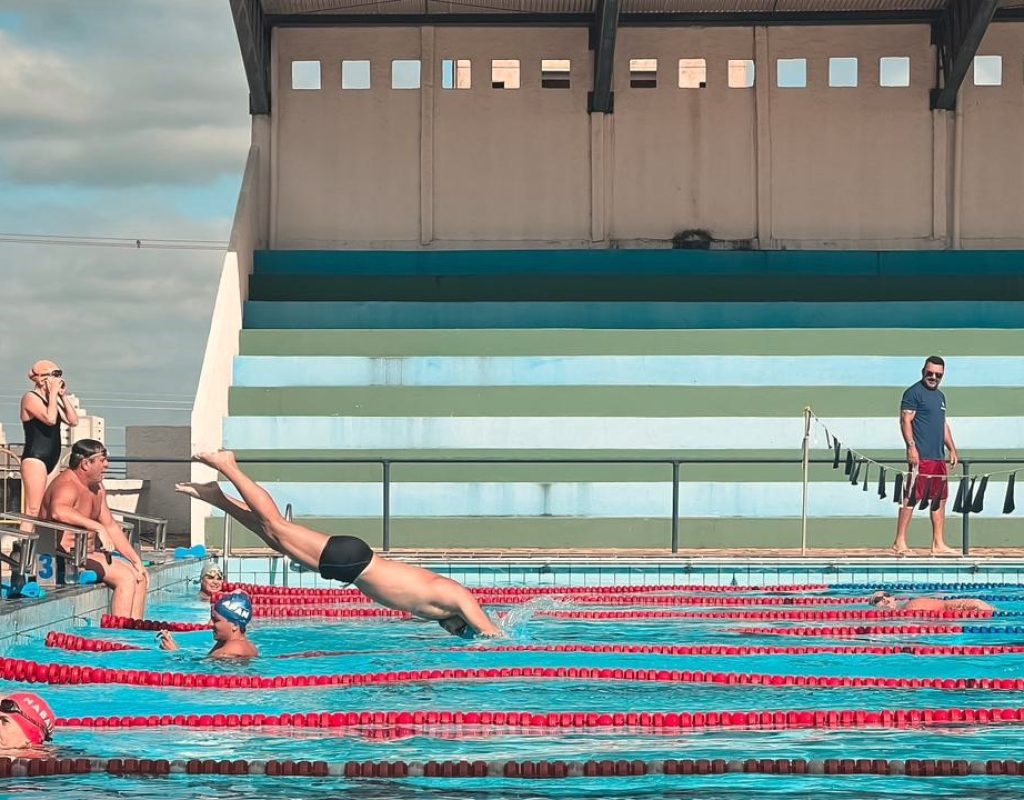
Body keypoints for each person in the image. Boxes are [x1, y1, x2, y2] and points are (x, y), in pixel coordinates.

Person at [176, 450, 502, 638]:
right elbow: (490, 633)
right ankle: (228, 465)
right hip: (353, 561)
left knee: (273, 536)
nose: (458, 634)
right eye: (461, 632)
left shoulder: (440, 609)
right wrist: (499, 639)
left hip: (352, 565)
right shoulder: (459, 597)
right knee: (276, 524)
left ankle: (216, 496)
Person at [41, 439, 149, 618]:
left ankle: (136, 633)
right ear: (85, 464)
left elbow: (111, 526)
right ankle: (119, 637)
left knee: (140, 576)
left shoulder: (97, 488)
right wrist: (96, 527)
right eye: (102, 460)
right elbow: (58, 511)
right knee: (126, 578)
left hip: (88, 555)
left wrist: (136, 561)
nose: (106, 465)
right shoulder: (67, 484)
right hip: (65, 558)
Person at [892, 356, 960, 557]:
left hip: (938, 457)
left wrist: (952, 449)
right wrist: (911, 447)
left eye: (938, 375)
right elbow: (905, 420)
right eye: (930, 373)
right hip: (921, 457)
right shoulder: (913, 393)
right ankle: (899, 542)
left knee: (940, 499)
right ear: (923, 371)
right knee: (911, 496)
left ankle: (938, 543)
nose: (933, 377)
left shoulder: (940, 396)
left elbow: (943, 424)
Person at [18, 361, 78, 535]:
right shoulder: (30, 397)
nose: (57, 379)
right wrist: (52, 395)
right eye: (53, 375)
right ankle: (23, 551)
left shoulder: (53, 400)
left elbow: (73, 421)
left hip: (53, 457)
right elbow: (50, 419)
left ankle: (45, 554)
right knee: (33, 509)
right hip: (35, 458)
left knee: (49, 508)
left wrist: (62, 396)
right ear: (41, 378)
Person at [158, 591, 259, 659]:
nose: (211, 624)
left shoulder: (227, 651)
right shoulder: (249, 646)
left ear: (235, 625)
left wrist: (175, 654)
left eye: (216, 620)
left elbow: (199, 671)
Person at [869, 590, 994, 613]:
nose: (884, 599)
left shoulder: (912, 605)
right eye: (878, 599)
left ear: (893, 598)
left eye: (886, 595)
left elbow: (946, 605)